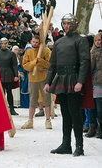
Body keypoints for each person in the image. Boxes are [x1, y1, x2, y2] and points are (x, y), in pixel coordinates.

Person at [44, 13, 90, 156]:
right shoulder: (58, 42)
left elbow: (84, 62)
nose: (66, 26)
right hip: (61, 78)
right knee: (65, 113)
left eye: (69, 24)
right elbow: (53, 65)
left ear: (75, 24)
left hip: (74, 79)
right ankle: (66, 144)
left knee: (74, 113)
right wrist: (48, 82)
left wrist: (80, 81)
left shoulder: (80, 40)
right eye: (64, 23)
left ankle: (79, 146)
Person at [21, 35, 52, 129]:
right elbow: (25, 66)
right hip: (33, 78)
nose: (34, 44)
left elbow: (49, 64)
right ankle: (30, 121)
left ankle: (48, 121)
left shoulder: (46, 50)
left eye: (36, 42)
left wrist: (41, 61)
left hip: (44, 77)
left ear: (40, 43)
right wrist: (34, 62)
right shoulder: (28, 51)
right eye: (33, 42)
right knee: (32, 100)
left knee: (46, 99)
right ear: (31, 41)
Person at [0, 37, 19, 115]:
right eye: (2, 43)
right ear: (0, 44)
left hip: (9, 73)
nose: (4, 45)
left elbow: (14, 65)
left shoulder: (11, 54)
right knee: (0, 93)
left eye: (5, 43)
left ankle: (11, 108)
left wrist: (16, 75)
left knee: (9, 92)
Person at [91, 34, 102, 139]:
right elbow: (91, 66)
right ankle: (99, 128)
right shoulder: (94, 53)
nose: (98, 42)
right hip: (97, 82)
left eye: (100, 40)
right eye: (96, 40)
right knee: (98, 108)